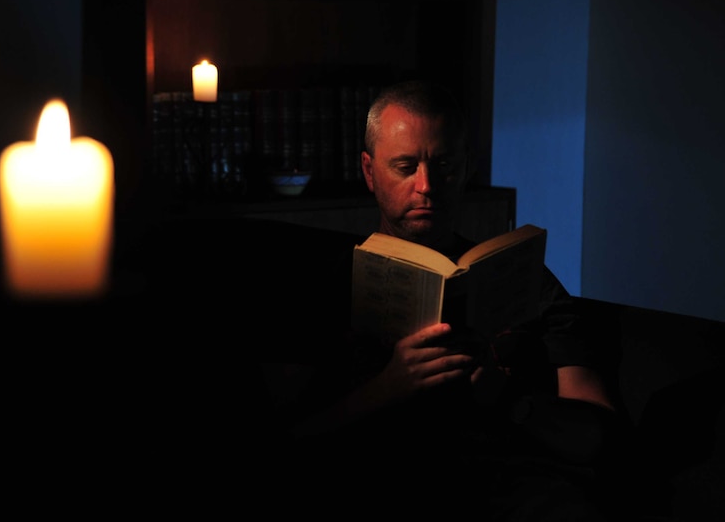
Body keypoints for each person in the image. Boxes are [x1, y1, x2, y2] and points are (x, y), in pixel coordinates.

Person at [265, 80, 632, 520]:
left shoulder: (528, 279)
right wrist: (386, 388)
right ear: (369, 171)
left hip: (520, 490)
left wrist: (510, 399)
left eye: (445, 166)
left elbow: (599, 437)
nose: (427, 186)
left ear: (466, 167)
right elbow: (276, 442)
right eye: (404, 166)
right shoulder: (320, 287)